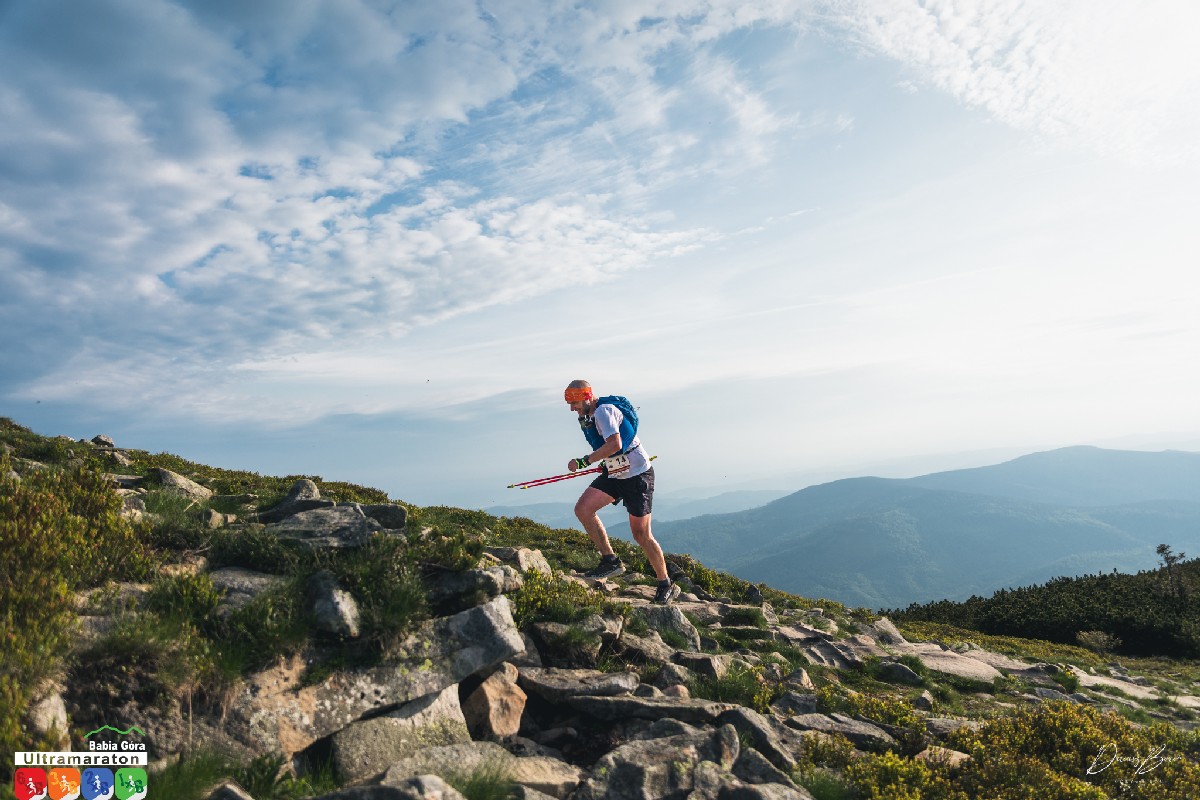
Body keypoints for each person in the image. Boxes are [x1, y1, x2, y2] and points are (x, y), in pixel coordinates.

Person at [564, 379, 681, 604]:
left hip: (637, 476)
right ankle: (610, 561)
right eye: (570, 403)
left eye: (574, 403)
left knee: (641, 535)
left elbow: (615, 444)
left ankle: (666, 584)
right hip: (617, 472)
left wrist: (584, 461)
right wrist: (604, 462)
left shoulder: (603, 412)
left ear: (586, 397)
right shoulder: (594, 414)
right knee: (583, 509)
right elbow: (612, 449)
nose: (572, 408)